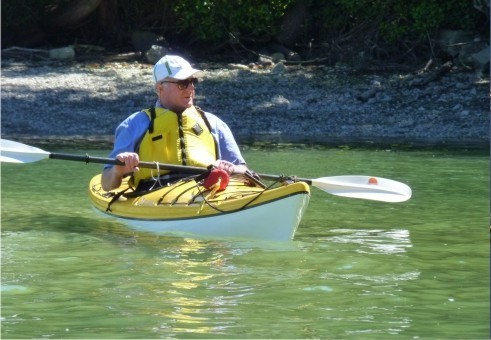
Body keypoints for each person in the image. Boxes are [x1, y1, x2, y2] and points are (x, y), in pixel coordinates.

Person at [101, 55, 249, 192]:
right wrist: (117, 170)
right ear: (160, 88)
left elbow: (243, 171)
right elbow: (107, 184)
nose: (191, 88)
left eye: (193, 81)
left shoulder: (214, 123)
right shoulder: (133, 125)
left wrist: (232, 168)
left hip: (207, 189)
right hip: (153, 192)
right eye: (183, 83)